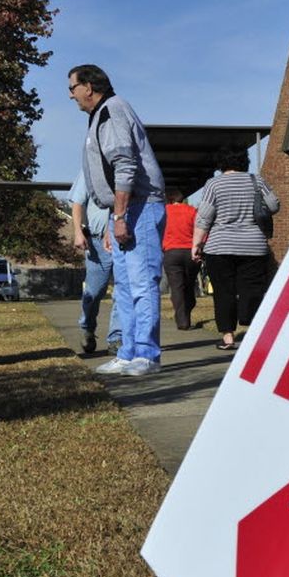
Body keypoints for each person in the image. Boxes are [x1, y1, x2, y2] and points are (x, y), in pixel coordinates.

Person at [69, 64, 166, 377]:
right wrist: (113, 217)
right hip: (122, 211)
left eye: (72, 88)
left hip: (140, 207)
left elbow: (124, 166)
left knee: (141, 283)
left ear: (88, 86)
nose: (71, 96)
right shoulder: (100, 115)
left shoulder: (112, 111)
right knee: (123, 287)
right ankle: (126, 353)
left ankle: (147, 355)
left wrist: (121, 215)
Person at [191, 144, 279, 350]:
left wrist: (196, 244)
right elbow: (274, 205)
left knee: (223, 292)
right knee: (252, 288)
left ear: (221, 163)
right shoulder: (257, 181)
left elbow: (204, 218)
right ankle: (248, 322)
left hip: (219, 246)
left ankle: (228, 338)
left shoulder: (213, 184)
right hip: (253, 245)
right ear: (244, 161)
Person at [69, 170, 122, 355]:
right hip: (97, 242)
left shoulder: (126, 169)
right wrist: (77, 232)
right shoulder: (89, 171)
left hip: (123, 240)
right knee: (94, 292)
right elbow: (77, 203)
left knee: (122, 291)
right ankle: (88, 328)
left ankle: (116, 338)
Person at [162, 188, 200, 331]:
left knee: (176, 287)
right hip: (191, 251)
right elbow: (200, 229)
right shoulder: (192, 211)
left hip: (171, 252)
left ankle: (182, 320)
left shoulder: (164, 212)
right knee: (189, 284)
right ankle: (188, 309)